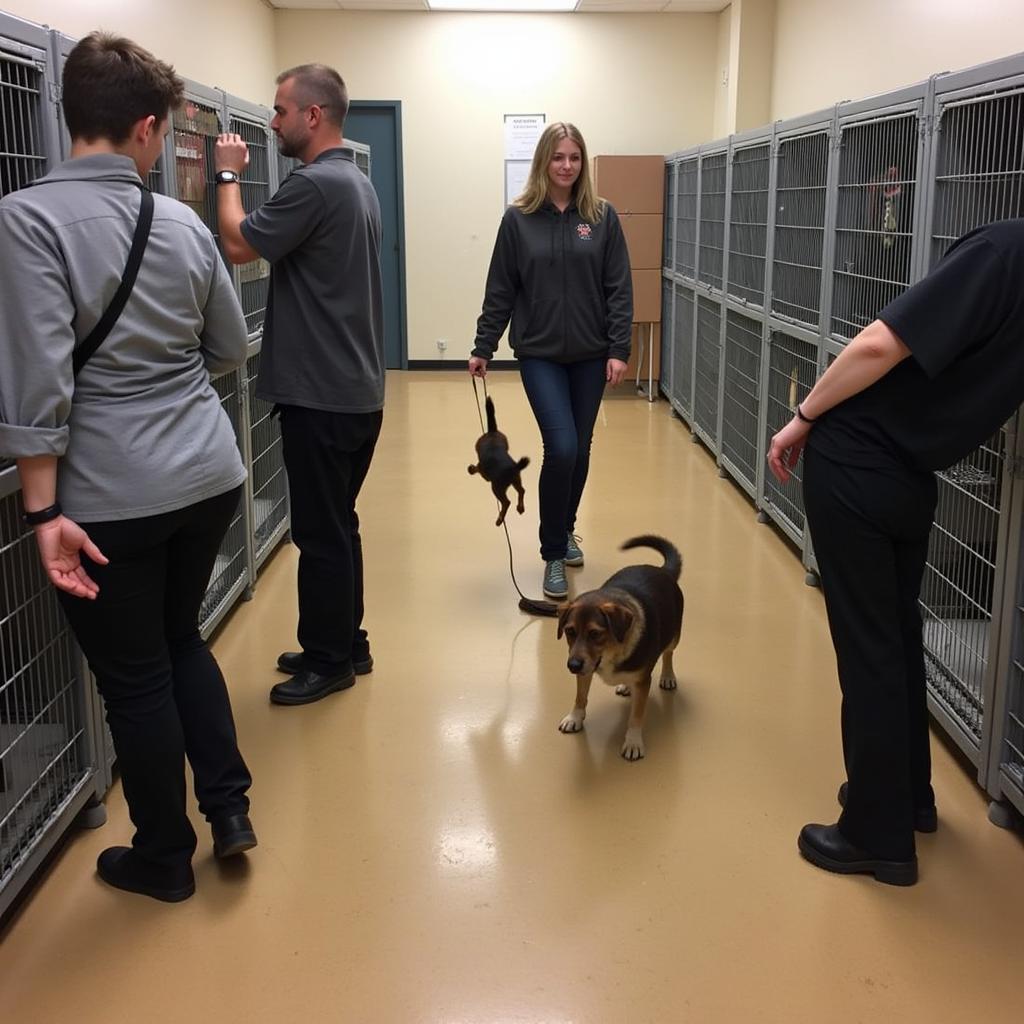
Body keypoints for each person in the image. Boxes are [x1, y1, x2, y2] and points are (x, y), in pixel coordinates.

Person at [0, 33, 256, 903]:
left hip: (112, 496)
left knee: (135, 677)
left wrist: (42, 515)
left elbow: (37, 380)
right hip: (210, 475)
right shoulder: (182, 222)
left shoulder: (27, 218)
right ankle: (228, 812)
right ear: (146, 128)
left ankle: (162, 856)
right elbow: (227, 348)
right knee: (183, 639)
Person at [767, 218, 1024, 886]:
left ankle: (876, 837)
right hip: (914, 472)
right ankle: (907, 798)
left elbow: (882, 345)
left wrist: (804, 416)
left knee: (870, 647)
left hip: (860, 459)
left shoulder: (1003, 250)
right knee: (898, 636)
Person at [214, 65, 385, 707]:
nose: (274, 121)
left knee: (318, 533)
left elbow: (237, 244)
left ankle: (327, 660)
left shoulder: (315, 186)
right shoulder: (355, 182)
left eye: (281, 110)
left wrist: (227, 173)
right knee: (339, 524)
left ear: (314, 116)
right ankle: (347, 640)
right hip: (353, 391)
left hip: (323, 393)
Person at [469, 122, 632, 600]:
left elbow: (618, 287)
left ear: (583, 163)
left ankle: (566, 527)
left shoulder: (601, 217)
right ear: (544, 161)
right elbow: (501, 286)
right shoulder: (518, 219)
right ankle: (552, 552)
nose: (566, 166)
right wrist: (484, 344)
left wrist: (619, 349)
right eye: (558, 157)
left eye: (575, 158)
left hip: (591, 353)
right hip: (539, 353)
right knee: (560, 447)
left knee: (580, 450)